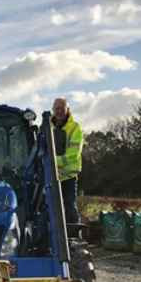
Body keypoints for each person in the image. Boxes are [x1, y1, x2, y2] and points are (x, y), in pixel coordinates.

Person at [51, 97, 84, 226]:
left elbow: (73, 155)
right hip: (51, 176)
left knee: (69, 205)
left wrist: (53, 162)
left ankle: (74, 234)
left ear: (67, 110)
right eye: (56, 108)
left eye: (62, 108)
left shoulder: (75, 128)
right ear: (53, 110)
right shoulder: (47, 127)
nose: (59, 111)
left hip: (68, 176)